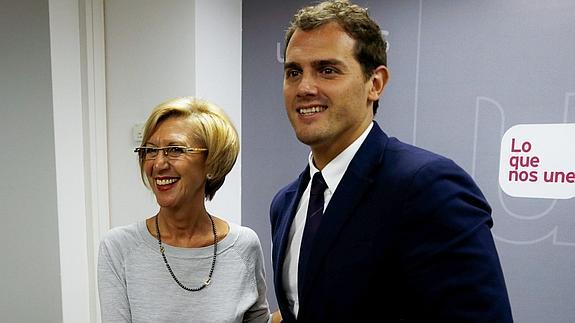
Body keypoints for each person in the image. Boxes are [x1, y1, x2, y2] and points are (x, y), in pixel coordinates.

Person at [269, 1, 514, 322]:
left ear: (376, 83)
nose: (305, 87)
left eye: (327, 70)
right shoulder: (285, 203)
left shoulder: (429, 188)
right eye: (293, 72)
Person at [98, 97, 272, 322]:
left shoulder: (243, 246)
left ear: (211, 162)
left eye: (174, 149)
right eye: (150, 151)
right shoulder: (118, 248)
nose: (158, 164)